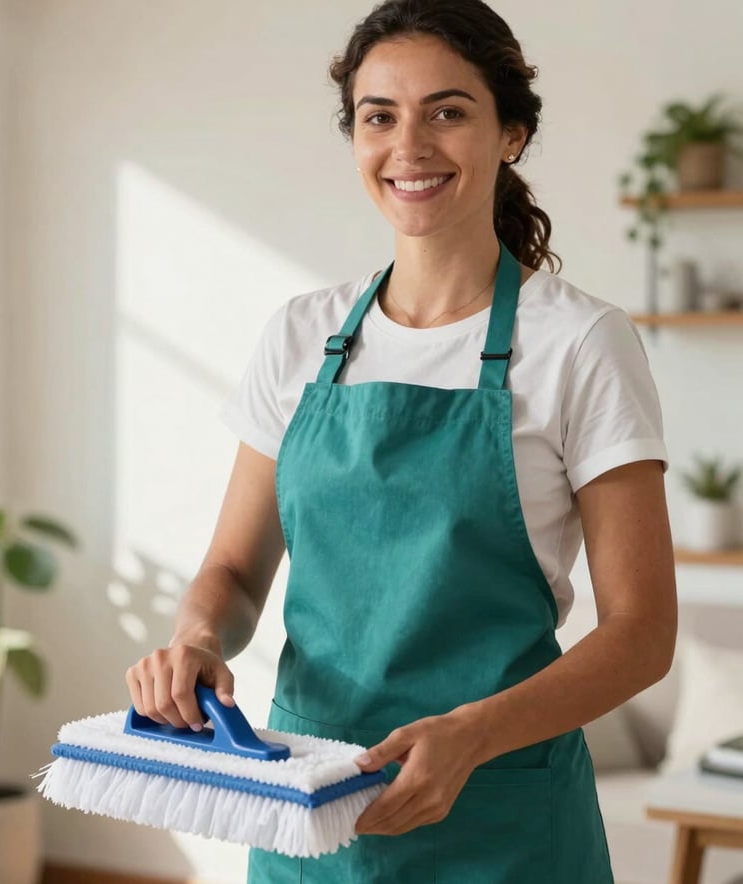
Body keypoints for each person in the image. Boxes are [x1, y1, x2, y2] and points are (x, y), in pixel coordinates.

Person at [126, 1, 677, 880]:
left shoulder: (579, 342)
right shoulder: (300, 334)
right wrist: (196, 640)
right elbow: (233, 573)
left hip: (501, 813)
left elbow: (642, 634)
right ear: (355, 138)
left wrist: (473, 734)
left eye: (449, 111)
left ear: (512, 136)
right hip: (312, 809)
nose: (409, 145)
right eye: (380, 116)